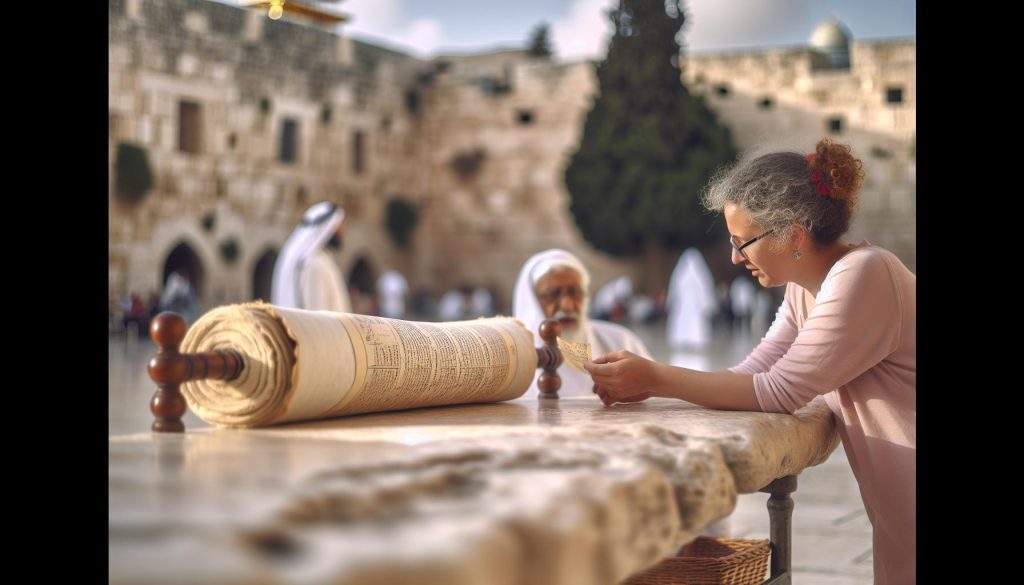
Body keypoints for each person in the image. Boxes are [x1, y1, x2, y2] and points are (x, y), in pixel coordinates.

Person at [583, 139, 915, 584]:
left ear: (793, 235)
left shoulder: (866, 273)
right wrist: (651, 382)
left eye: (744, 242)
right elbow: (752, 372)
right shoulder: (806, 287)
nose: (737, 257)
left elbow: (778, 392)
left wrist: (658, 376)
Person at [512, 249, 652, 399]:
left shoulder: (621, 341)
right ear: (533, 303)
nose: (567, 305)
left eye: (575, 292)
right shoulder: (514, 362)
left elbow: (654, 393)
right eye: (553, 294)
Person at [271, 201, 351, 313]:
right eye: (340, 225)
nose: (343, 230)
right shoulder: (315, 264)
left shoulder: (321, 260)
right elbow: (317, 316)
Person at [666, 248, 717, 350]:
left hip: (694, 306)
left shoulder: (685, 276)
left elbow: (703, 291)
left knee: (694, 322)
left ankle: (694, 340)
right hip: (686, 306)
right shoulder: (695, 276)